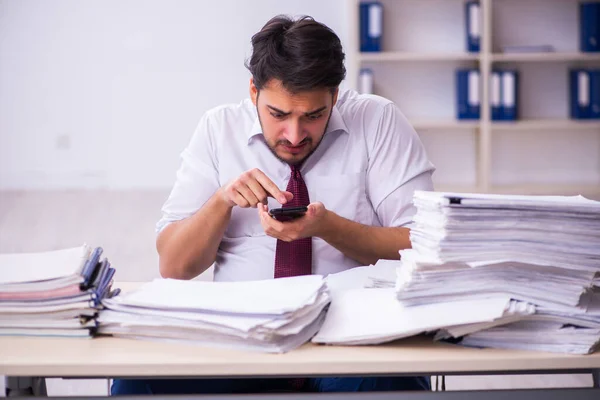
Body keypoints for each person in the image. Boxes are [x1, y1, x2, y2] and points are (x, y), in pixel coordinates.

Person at [112, 14, 434, 396]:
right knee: (137, 380)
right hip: (237, 337)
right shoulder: (219, 130)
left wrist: (328, 228)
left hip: (348, 333)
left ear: (334, 95)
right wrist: (221, 202)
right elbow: (174, 266)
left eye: (313, 116)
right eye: (278, 114)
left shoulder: (378, 121)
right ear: (253, 92)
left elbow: (424, 246)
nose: (295, 135)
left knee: (388, 382)